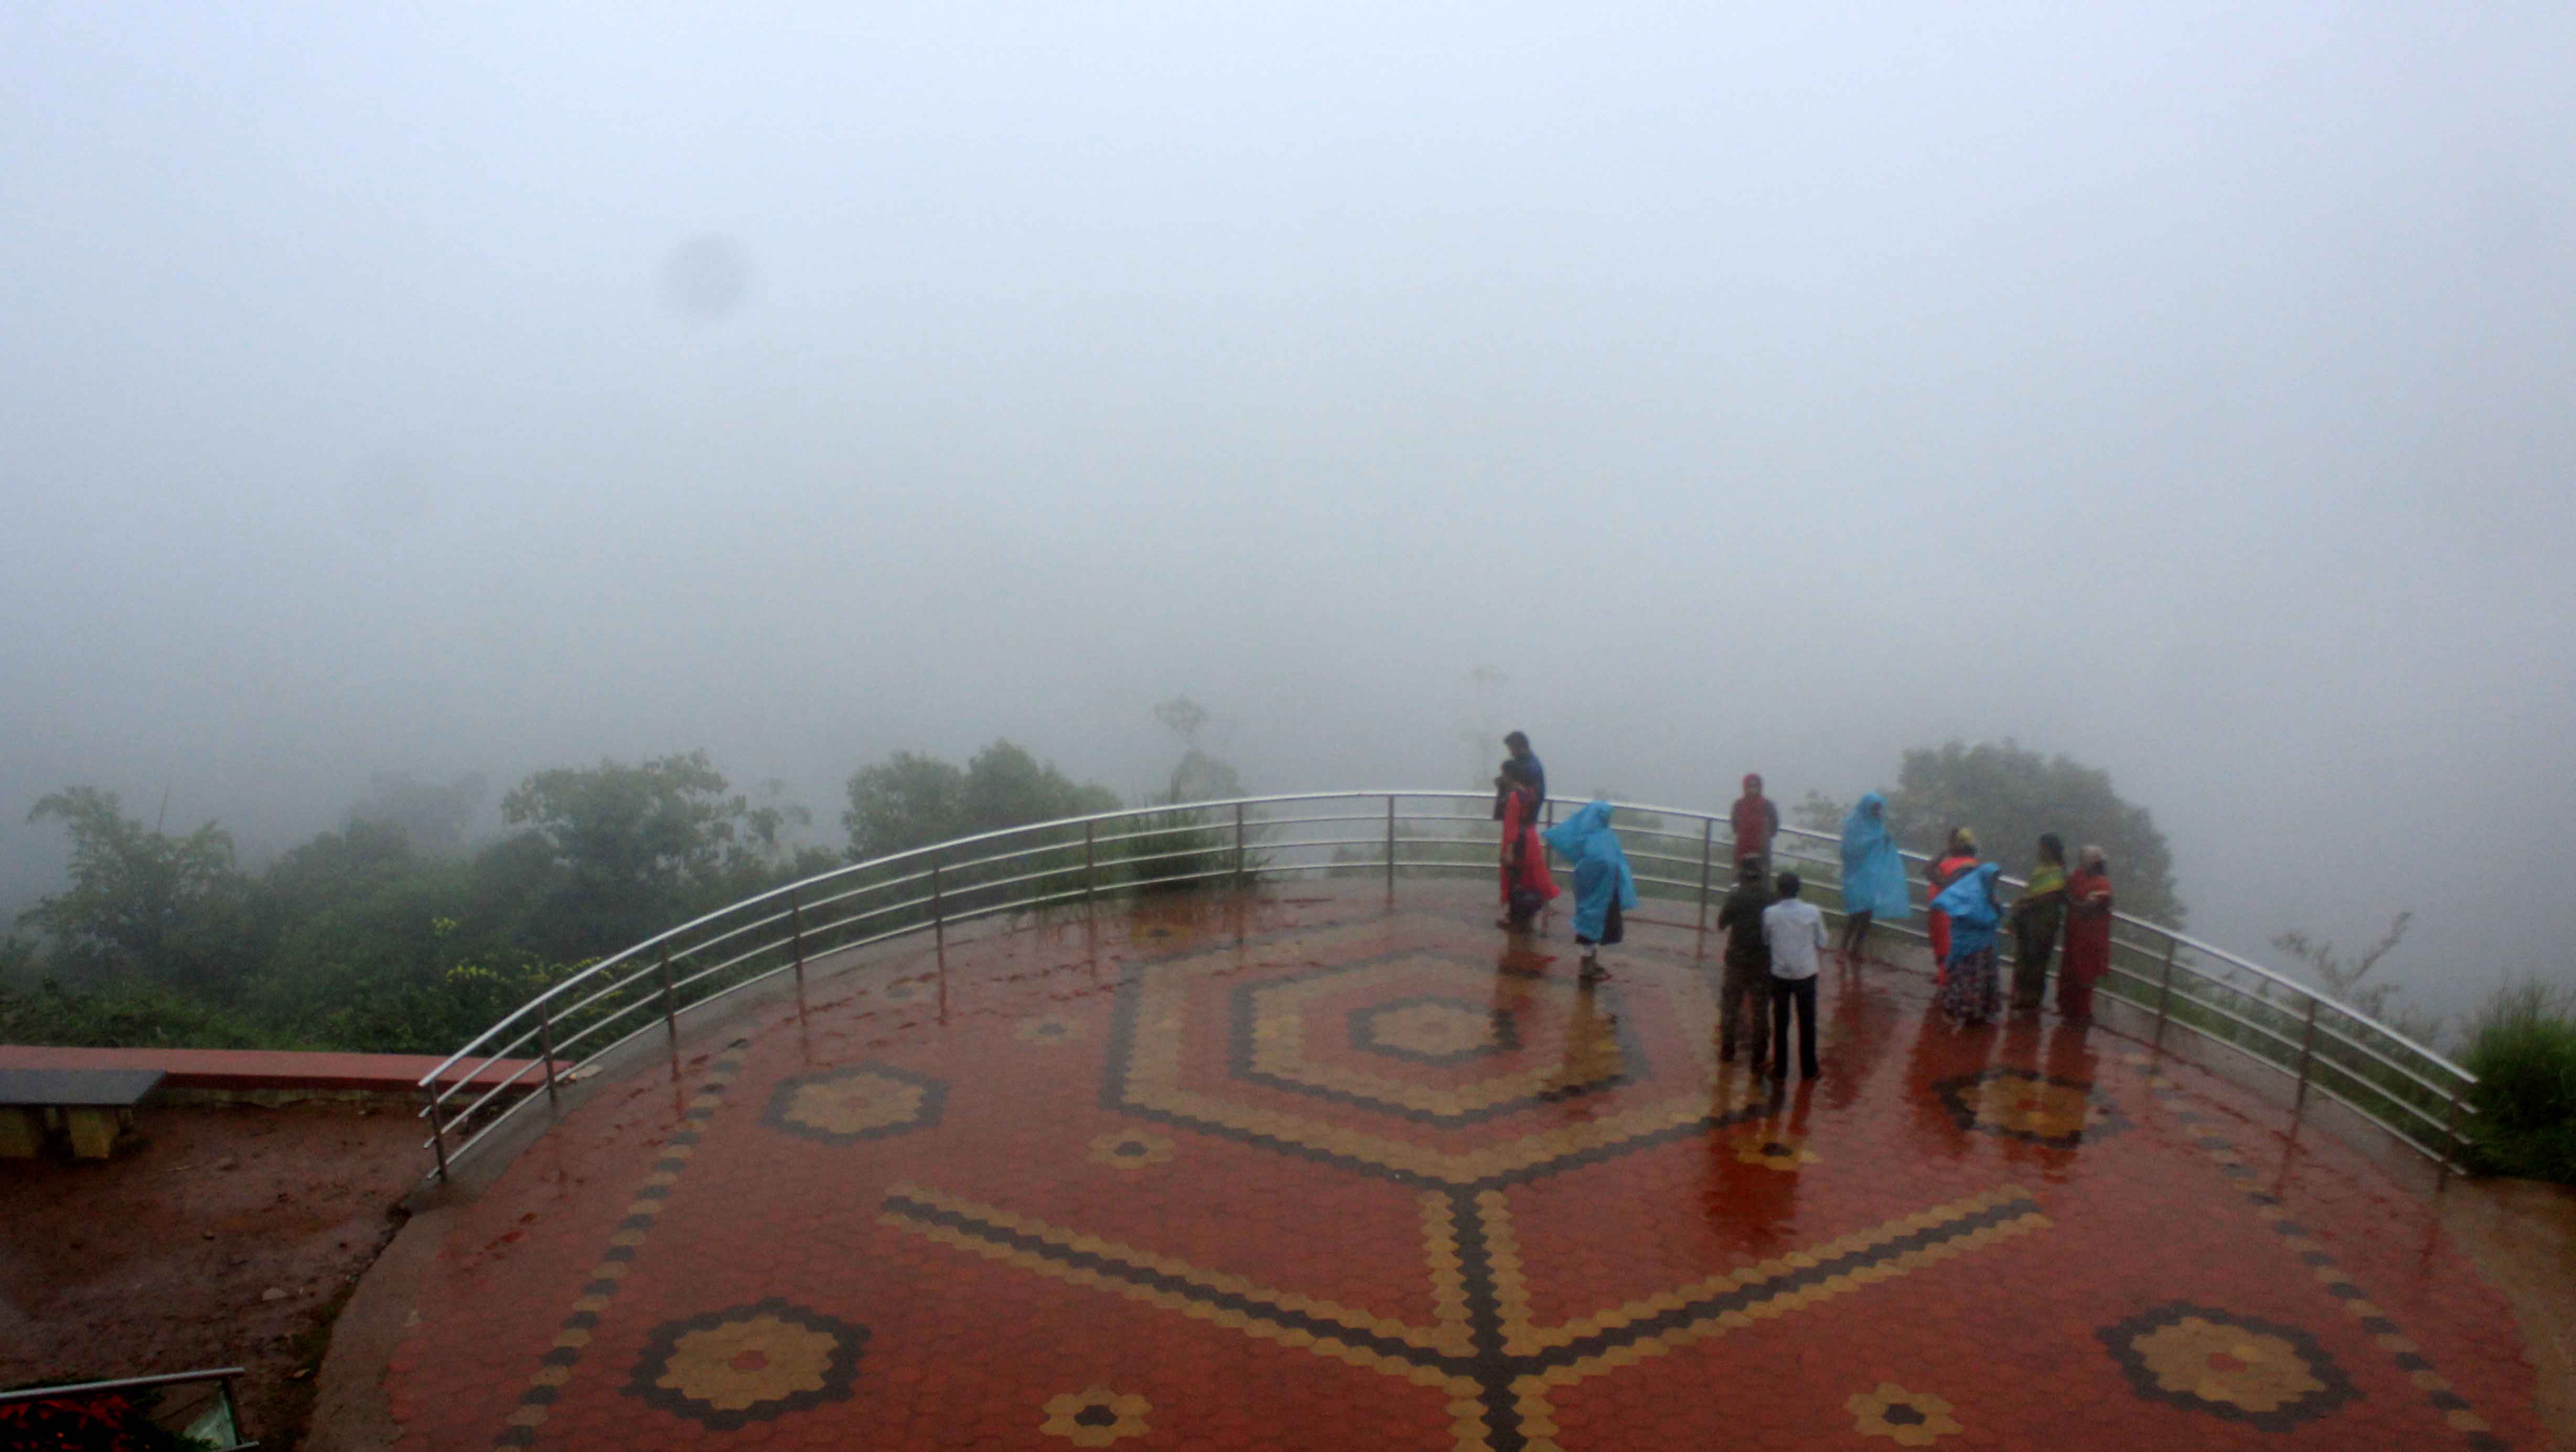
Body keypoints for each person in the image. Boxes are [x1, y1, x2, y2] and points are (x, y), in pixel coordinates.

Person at [1543, 799, 1636, 981]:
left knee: (1591, 925)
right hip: (1602, 892)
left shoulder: (1591, 835)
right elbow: (1608, 862)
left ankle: (1590, 964)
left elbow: (1588, 863)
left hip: (1594, 891)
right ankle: (1586, 968)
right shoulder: (1603, 837)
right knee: (1590, 929)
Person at [1762, 870, 1828, 1079]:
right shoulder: (1813, 911)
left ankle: (1780, 1068)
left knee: (1781, 1022)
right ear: (1798, 889)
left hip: (1780, 974)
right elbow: (1822, 941)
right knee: (1807, 1022)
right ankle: (1810, 1069)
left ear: (1779, 890)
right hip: (1806, 973)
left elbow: (1766, 940)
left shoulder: (1770, 913)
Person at [1930, 861, 2006, 1030]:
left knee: (1979, 980)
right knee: (1965, 980)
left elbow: (1999, 914)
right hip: (1969, 946)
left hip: (1983, 946)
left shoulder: (1989, 893)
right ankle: (1953, 1011)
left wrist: (1995, 904)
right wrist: (1992, 910)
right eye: (1993, 878)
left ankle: (1976, 1013)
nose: (1994, 882)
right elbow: (1975, 917)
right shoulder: (1970, 893)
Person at [1714, 858, 1775, 1066]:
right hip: (1762, 963)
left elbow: (1721, 924)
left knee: (1730, 1007)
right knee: (1760, 1010)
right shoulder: (1771, 899)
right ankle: (1759, 1057)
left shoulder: (1736, 897)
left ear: (1741, 876)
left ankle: (1727, 1051)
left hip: (1736, 961)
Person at [1837, 792, 1910, 962]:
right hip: (1856, 876)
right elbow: (1848, 849)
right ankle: (1842, 949)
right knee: (1855, 913)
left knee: (1867, 914)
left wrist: (1885, 841)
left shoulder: (1878, 825)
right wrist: (1871, 843)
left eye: (1879, 808)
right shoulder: (1853, 824)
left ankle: (1856, 949)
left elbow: (1883, 848)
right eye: (1875, 808)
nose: (1878, 811)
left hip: (1872, 876)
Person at [2006, 834, 2069, 1011]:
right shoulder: (2041, 870)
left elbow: (2047, 898)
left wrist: (2025, 904)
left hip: (2043, 925)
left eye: (2042, 848)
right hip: (2029, 923)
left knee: (2037, 963)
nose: (2039, 852)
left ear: (2050, 850)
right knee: (2023, 960)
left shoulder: (2058, 873)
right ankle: (2021, 996)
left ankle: (2032, 1000)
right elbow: (2033, 893)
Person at [1495, 777, 1561, 932]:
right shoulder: (1531, 794)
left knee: (1515, 879)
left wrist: (1509, 850)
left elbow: (1511, 824)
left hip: (1517, 842)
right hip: (1530, 838)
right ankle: (1529, 913)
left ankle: (1514, 917)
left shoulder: (1514, 798)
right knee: (1532, 878)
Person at [2059, 845, 2115, 1023]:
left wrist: (2068, 900)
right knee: (2070, 973)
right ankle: (2069, 1011)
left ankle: (2081, 1015)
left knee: (2084, 975)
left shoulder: (2103, 885)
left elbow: (2086, 908)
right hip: (2075, 936)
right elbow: (2066, 887)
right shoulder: (2079, 877)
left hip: (2090, 939)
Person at [1924, 828, 1979, 983]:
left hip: (1950, 915)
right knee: (1941, 948)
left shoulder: (1968, 866)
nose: (1949, 845)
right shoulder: (1952, 862)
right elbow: (1928, 871)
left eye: (1952, 842)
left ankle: (1947, 985)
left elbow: (1947, 885)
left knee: (1948, 949)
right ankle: (1944, 978)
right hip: (1939, 913)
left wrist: (1939, 879)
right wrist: (1943, 853)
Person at [1729, 774, 1780, 873]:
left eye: (1755, 786)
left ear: (1760, 787)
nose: (1753, 789)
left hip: (1762, 848)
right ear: (1745, 787)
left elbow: (1775, 824)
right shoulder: (1738, 805)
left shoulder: (1767, 805)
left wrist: (1765, 836)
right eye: (1750, 786)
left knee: (1761, 875)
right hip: (1742, 846)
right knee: (1740, 874)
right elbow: (1734, 825)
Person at [1492, 731, 1547, 820]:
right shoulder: (1521, 763)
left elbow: (1536, 794)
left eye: (1511, 749)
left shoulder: (1532, 767)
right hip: (1514, 816)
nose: (1511, 753)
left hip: (1523, 819)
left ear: (1520, 748)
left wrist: (1516, 787)